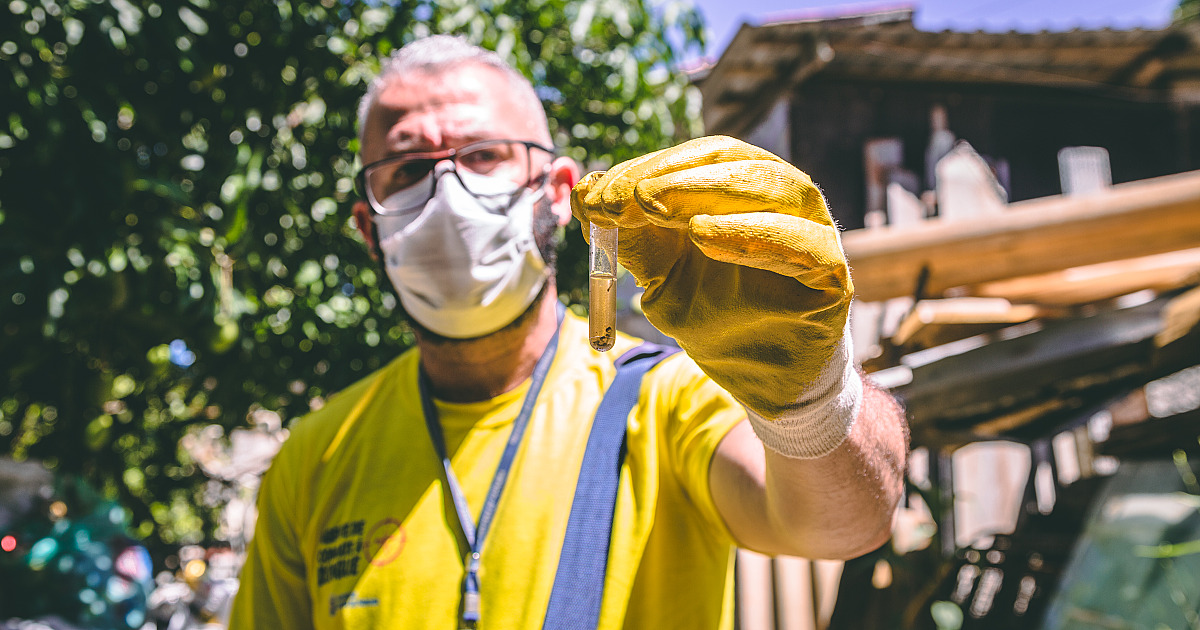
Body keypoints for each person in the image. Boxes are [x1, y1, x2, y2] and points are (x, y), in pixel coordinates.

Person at [229, 34, 908, 629]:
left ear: (558, 190)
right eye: (408, 168)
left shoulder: (664, 399)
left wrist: (810, 400)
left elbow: (842, 525)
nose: (446, 192)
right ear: (367, 226)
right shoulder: (315, 457)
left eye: (481, 155)